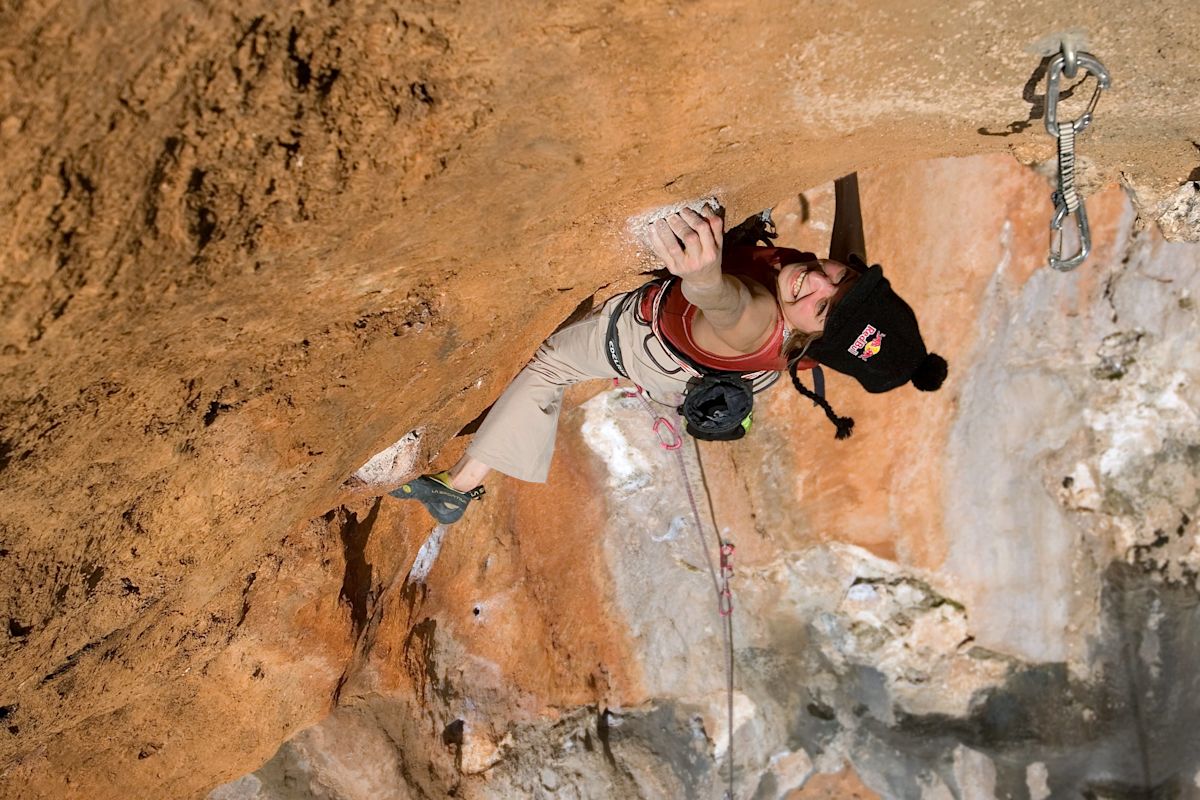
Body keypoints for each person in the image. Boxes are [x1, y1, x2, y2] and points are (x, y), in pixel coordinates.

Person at [391, 175, 947, 524]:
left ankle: (458, 488)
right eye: (839, 279)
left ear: (814, 338)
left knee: (552, 366)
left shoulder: (757, 321)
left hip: (651, 345)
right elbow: (849, 250)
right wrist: (846, 167)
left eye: (826, 308)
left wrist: (702, 275)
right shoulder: (822, 305)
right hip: (727, 367)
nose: (819, 285)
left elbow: (727, 304)